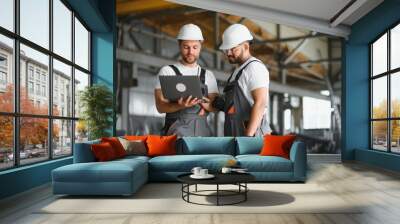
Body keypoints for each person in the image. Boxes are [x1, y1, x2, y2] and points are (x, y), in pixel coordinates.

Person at [154, 24, 219, 137]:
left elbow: (215, 107)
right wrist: (181, 106)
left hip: (202, 131)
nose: (190, 52)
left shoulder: (208, 75)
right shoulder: (167, 71)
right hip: (176, 131)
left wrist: (203, 103)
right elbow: (160, 106)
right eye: (186, 47)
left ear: (200, 46)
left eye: (195, 47)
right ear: (179, 45)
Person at [216, 23, 271, 137]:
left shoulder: (254, 68)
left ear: (246, 46)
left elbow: (260, 103)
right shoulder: (237, 72)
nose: (228, 53)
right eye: (226, 50)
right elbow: (234, 107)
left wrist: (248, 137)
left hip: (252, 137)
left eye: (232, 49)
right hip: (236, 135)